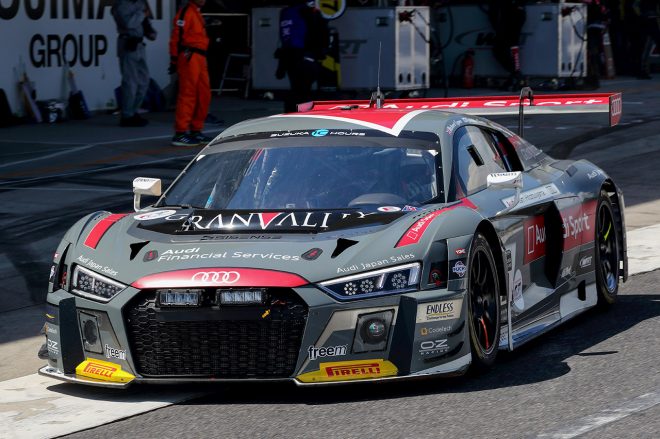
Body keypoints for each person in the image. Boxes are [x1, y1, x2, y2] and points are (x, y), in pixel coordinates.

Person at [169, 0, 212, 147]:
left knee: (204, 94)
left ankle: (196, 130)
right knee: (188, 93)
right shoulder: (186, 12)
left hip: (199, 56)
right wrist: (174, 59)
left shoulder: (195, 12)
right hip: (190, 56)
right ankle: (180, 133)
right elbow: (176, 36)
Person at [276, 1, 329, 113]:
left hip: (290, 56)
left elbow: (284, 37)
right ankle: (301, 113)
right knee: (304, 90)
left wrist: (281, 64)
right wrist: (321, 52)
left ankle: (292, 113)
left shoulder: (285, 12)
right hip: (305, 55)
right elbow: (321, 33)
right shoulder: (308, 11)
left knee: (297, 88)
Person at [111, 0, 157, 127]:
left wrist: (150, 32)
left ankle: (133, 110)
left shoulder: (140, 3)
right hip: (128, 44)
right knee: (130, 82)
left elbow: (145, 22)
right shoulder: (121, 5)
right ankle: (127, 115)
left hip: (140, 45)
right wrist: (143, 14)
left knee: (144, 80)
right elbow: (129, 23)